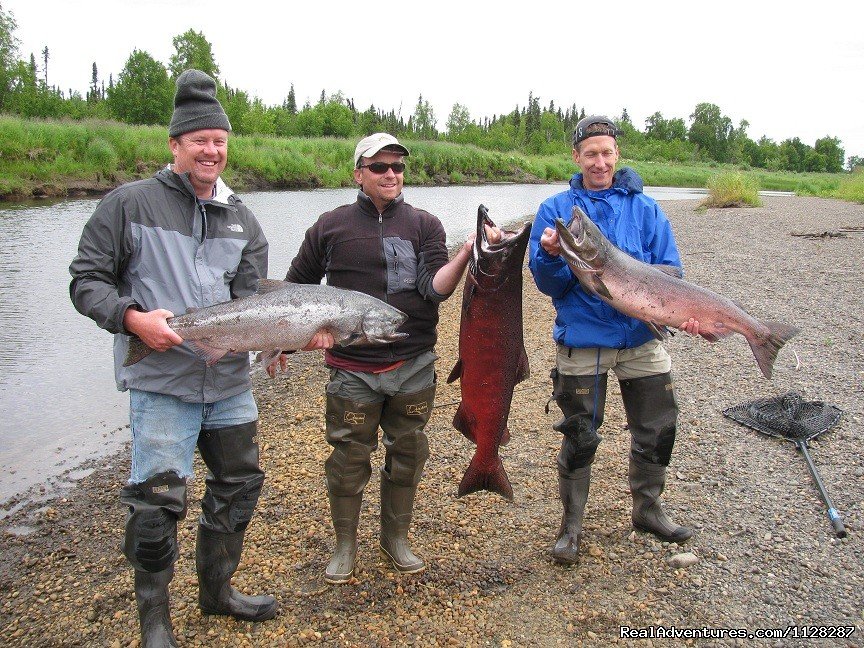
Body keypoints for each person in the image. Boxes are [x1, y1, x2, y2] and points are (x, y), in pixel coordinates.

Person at [69, 69, 318, 647]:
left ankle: (216, 593)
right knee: (157, 504)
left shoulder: (244, 220)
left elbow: (254, 301)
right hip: (160, 383)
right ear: (175, 145)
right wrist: (132, 319)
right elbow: (85, 282)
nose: (212, 150)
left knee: (239, 483)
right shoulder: (126, 205)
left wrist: (283, 340)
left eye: (220, 141)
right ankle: (155, 625)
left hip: (229, 382)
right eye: (200, 140)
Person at [284, 132, 498, 584]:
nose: (390, 175)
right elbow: (295, 291)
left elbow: (434, 290)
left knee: (409, 452)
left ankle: (394, 539)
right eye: (379, 167)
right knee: (348, 458)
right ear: (358, 173)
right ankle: (345, 545)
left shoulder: (425, 225)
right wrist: (291, 341)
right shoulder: (329, 225)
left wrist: (464, 254)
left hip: (413, 363)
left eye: (398, 167)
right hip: (351, 369)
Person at [528, 115, 699, 565]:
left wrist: (685, 316)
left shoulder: (647, 210)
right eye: (591, 154)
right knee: (580, 435)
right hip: (583, 342)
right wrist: (550, 257)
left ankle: (648, 510)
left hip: (643, 339)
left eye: (607, 153)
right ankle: (570, 529)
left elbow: (671, 271)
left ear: (617, 154)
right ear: (576, 157)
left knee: (659, 427)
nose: (599, 162)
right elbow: (547, 285)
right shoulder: (555, 210)